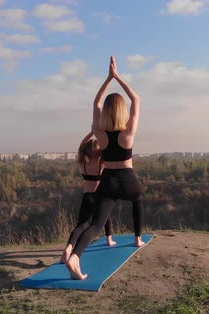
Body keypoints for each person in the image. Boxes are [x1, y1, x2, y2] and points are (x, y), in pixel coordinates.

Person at [66, 56, 145, 280]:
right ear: (121, 111)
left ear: (106, 113)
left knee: (96, 224)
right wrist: (118, 77)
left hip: (108, 180)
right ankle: (137, 237)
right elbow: (136, 98)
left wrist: (107, 79)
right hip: (127, 179)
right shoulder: (128, 132)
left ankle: (75, 257)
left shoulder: (99, 133)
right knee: (137, 199)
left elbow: (96, 103)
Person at [60, 132, 116, 264]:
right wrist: (100, 134)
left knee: (81, 225)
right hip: (100, 196)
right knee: (106, 216)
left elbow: (81, 145)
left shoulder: (82, 164)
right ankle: (109, 239)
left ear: (85, 151)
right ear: (99, 152)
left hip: (87, 196)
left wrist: (92, 132)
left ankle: (69, 247)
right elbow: (107, 148)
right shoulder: (101, 164)